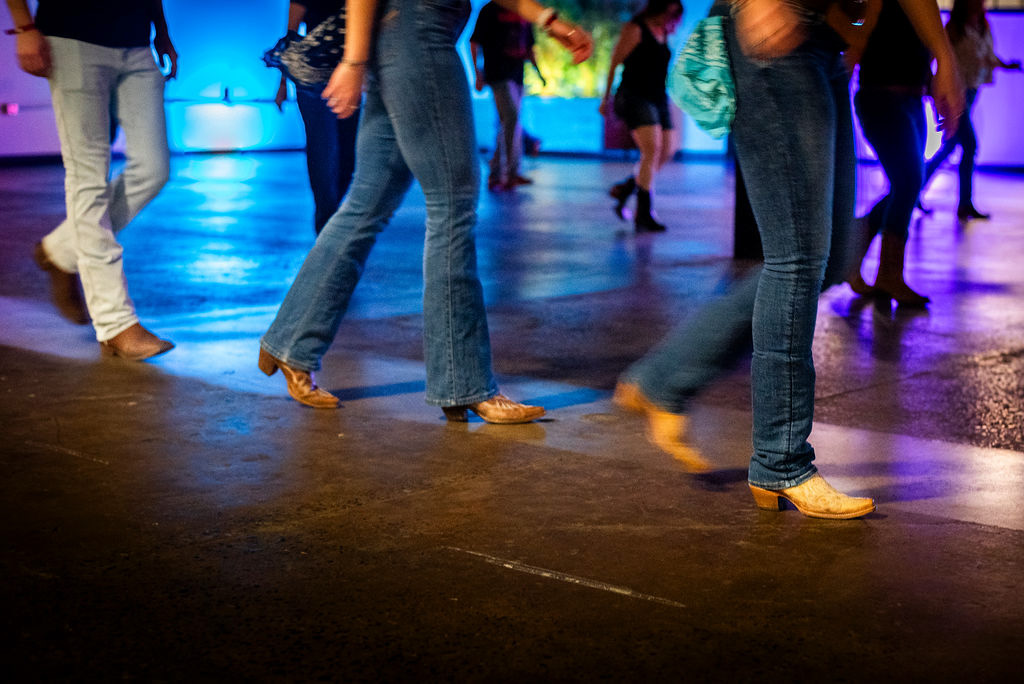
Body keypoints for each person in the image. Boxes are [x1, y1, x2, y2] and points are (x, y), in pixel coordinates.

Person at [615, 0, 962, 519]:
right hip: (777, 37)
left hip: (822, 42)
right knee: (797, 259)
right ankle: (781, 461)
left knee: (832, 255)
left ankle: (663, 377)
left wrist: (943, 54)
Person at [257, 0, 592, 422]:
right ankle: (463, 382)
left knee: (366, 204)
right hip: (421, 37)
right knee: (452, 202)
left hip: (400, 40)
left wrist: (547, 19)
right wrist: (353, 61)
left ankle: (290, 342)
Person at [6, 0, 177, 360]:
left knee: (154, 170)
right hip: (73, 39)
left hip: (136, 40)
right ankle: (116, 324)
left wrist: (161, 32)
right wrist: (25, 28)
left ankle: (59, 249)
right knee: (88, 178)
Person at [846, 0, 965, 307]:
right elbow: (861, 35)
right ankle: (887, 273)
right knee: (909, 182)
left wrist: (936, 87)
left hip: (912, 100)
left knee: (907, 185)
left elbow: (921, 49)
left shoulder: (925, 8)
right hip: (881, 98)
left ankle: (856, 250)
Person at [919, 0, 1021, 221]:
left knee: (950, 148)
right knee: (970, 145)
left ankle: (916, 190)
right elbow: (939, 55)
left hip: (973, 90)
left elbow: (987, 55)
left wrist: (1007, 66)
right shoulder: (954, 28)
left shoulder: (983, 25)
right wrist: (932, 81)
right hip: (958, 93)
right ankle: (963, 204)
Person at [273, 1, 359, 235]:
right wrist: (283, 83)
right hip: (315, 76)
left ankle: (331, 223)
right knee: (323, 152)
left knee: (347, 156)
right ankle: (326, 225)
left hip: (351, 77)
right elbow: (291, 35)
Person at [600, 0, 684, 233]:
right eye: (670, 13)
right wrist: (605, 99)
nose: (672, 19)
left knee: (667, 150)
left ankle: (627, 188)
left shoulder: (664, 32)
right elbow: (614, 63)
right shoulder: (636, 29)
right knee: (651, 150)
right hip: (634, 96)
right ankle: (644, 214)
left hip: (658, 97)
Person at [470, 1, 544, 192]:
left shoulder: (524, 10)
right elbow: (474, 42)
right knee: (511, 118)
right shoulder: (490, 9)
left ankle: (497, 173)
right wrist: (477, 73)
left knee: (509, 122)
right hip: (498, 74)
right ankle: (510, 173)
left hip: (517, 74)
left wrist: (539, 73)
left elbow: (529, 46)